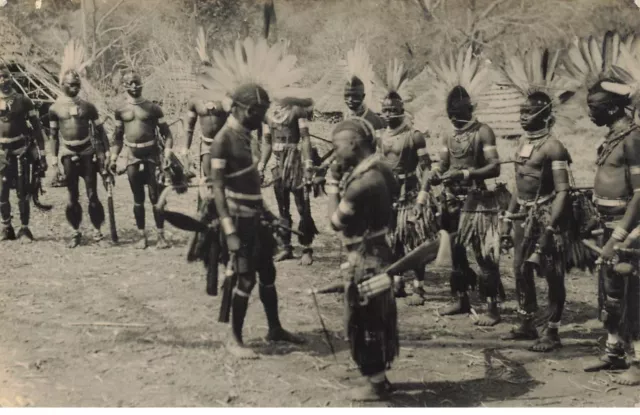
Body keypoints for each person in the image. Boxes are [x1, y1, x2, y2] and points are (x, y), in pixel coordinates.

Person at [198, 37, 306, 359]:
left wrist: (270, 215)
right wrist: (229, 231)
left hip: (254, 217)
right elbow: (218, 188)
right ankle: (235, 338)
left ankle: (274, 329)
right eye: (259, 112)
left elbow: (251, 185)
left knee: (268, 274)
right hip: (236, 220)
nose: (264, 117)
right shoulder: (223, 140)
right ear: (243, 109)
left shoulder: (246, 135)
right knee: (244, 277)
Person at [499, 47, 591, 351]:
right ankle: (527, 322)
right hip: (522, 218)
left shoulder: (555, 148)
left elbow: (563, 190)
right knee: (519, 268)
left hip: (548, 217)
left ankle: (552, 330)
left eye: (528, 113)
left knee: (552, 273)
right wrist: (507, 218)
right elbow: (519, 185)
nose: (523, 117)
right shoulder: (523, 144)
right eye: (521, 112)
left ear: (545, 115)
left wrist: (551, 227)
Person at [564, 31, 640, 385]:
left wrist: (621, 235)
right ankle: (613, 352)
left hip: (629, 230)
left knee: (632, 294)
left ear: (611, 107)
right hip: (608, 225)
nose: (589, 113)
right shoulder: (614, 137)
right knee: (609, 292)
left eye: (593, 107)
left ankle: (637, 364)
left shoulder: (634, 139)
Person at [417, 45, 507, 326]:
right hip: (451, 200)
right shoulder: (448, 136)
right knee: (456, 251)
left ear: (471, 107)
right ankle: (461, 299)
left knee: (483, 255)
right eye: (451, 112)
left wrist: (467, 175)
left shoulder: (483, 132)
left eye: (460, 111)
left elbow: (495, 167)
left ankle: (492, 307)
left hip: (478, 202)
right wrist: (434, 174)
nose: (455, 116)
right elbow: (443, 166)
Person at [326, 118, 398, 401]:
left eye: (336, 146)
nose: (334, 152)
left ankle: (376, 384)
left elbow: (334, 223)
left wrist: (332, 185)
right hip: (378, 250)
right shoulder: (382, 169)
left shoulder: (362, 183)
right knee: (374, 316)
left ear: (353, 143)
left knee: (363, 318)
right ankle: (378, 377)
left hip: (366, 258)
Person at [377, 58, 437, 305]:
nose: (389, 114)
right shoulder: (380, 137)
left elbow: (427, 169)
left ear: (402, 109)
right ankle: (398, 281)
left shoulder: (414, 136)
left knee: (414, 240)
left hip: (410, 193)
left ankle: (418, 286)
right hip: (388, 194)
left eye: (394, 110)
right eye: (386, 110)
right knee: (392, 239)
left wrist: (423, 195)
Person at [49, 40, 110, 247]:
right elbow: (53, 135)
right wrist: (53, 159)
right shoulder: (55, 109)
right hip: (67, 153)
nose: (74, 88)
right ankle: (75, 231)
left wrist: (104, 154)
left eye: (77, 85)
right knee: (72, 195)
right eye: (70, 85)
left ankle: (97, 230)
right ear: (62, 85)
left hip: (87, 152)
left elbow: (101, 132)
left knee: (92, 194)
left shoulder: (88, 107)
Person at [108, 71, 173, 249]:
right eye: (130, 83)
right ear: (124, 86)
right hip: (132, 157)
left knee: (155, 197)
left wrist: (166, 155)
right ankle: (141, 236)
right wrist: (113, 158)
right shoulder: (120, 111)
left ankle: (161, 236)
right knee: (138, 198)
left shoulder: (153, 108)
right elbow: (118, 138)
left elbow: (167, 134)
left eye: (137, 82)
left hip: (152, 157)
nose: (134, 86)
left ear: (142, 83)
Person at [257, 97, 318, 265]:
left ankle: (307, 247)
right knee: (282, 207)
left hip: (295, 163)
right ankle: (286, 247)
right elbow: (267, 142)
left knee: (302, 206)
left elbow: (305, 138)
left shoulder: (297, 111)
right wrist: (260, 166)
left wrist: (308, 164)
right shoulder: (267, 114)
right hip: (278, 165)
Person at [0, 65, 48, 242]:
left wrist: (42, 154)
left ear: (11, 78)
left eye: (5, 76)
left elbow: (36, 128)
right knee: (1, 191)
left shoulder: (23, 100)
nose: (2, 80)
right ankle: (6, 227)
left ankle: (24, 229)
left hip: (21, 150)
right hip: (1, 152)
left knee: (23, 191)